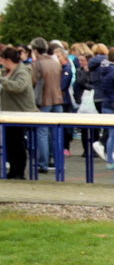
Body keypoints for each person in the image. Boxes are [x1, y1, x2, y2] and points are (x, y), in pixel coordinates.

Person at [0, 46, 38, 179]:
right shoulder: (7, 71)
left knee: (18, 144)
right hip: (9, 113)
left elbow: (19, 87)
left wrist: (2, 80)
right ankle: (13, 170)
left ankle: (19, 172)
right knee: (10, 143)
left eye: (2, 59)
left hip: (22, 112)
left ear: (8, 59)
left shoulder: (22, 71)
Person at [30, 37, 63, 173]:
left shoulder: (37, 64)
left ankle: (43, 163)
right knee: (56, 133)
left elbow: (32, 81)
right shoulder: (56, 62)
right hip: (58, 98)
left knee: (42, 132)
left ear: (36, 50)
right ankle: (57, 161)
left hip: (44, 99)